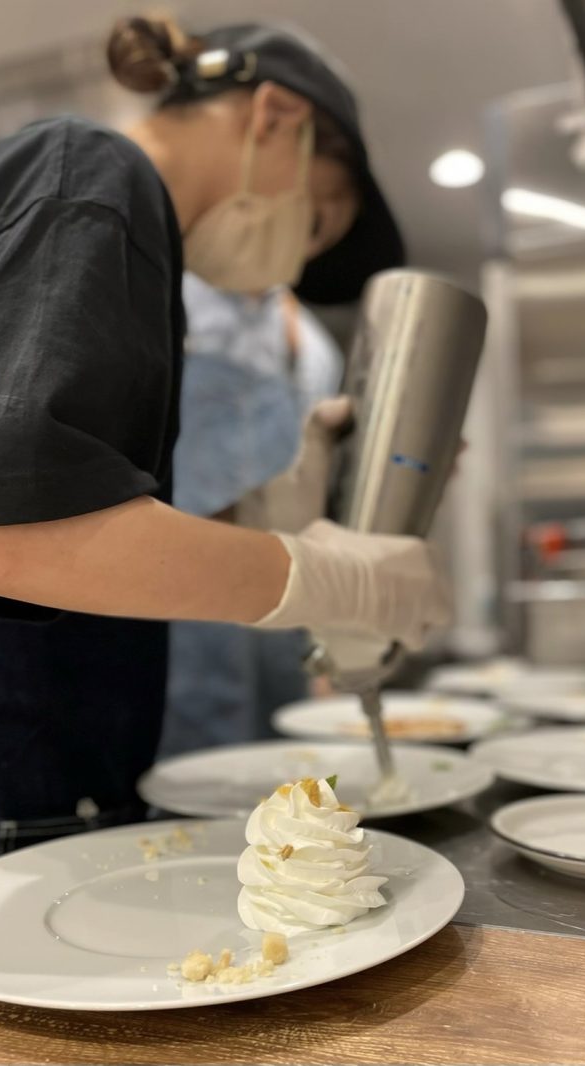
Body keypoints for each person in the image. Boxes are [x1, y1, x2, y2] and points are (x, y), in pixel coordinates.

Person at [0, 16, 449, 911]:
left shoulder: (111, 216)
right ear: (276, 116)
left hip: (1, 753)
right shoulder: (89, 174)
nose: (292, 259)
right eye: (316, 219)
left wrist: (266, 515)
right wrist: (339, 581)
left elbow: (59, 535)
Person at [160, 273, 344, 757]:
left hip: (280, 582)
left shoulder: (313, 347)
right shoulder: (163, 295)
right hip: (174, 576)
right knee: (193, 752)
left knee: (282, 752)